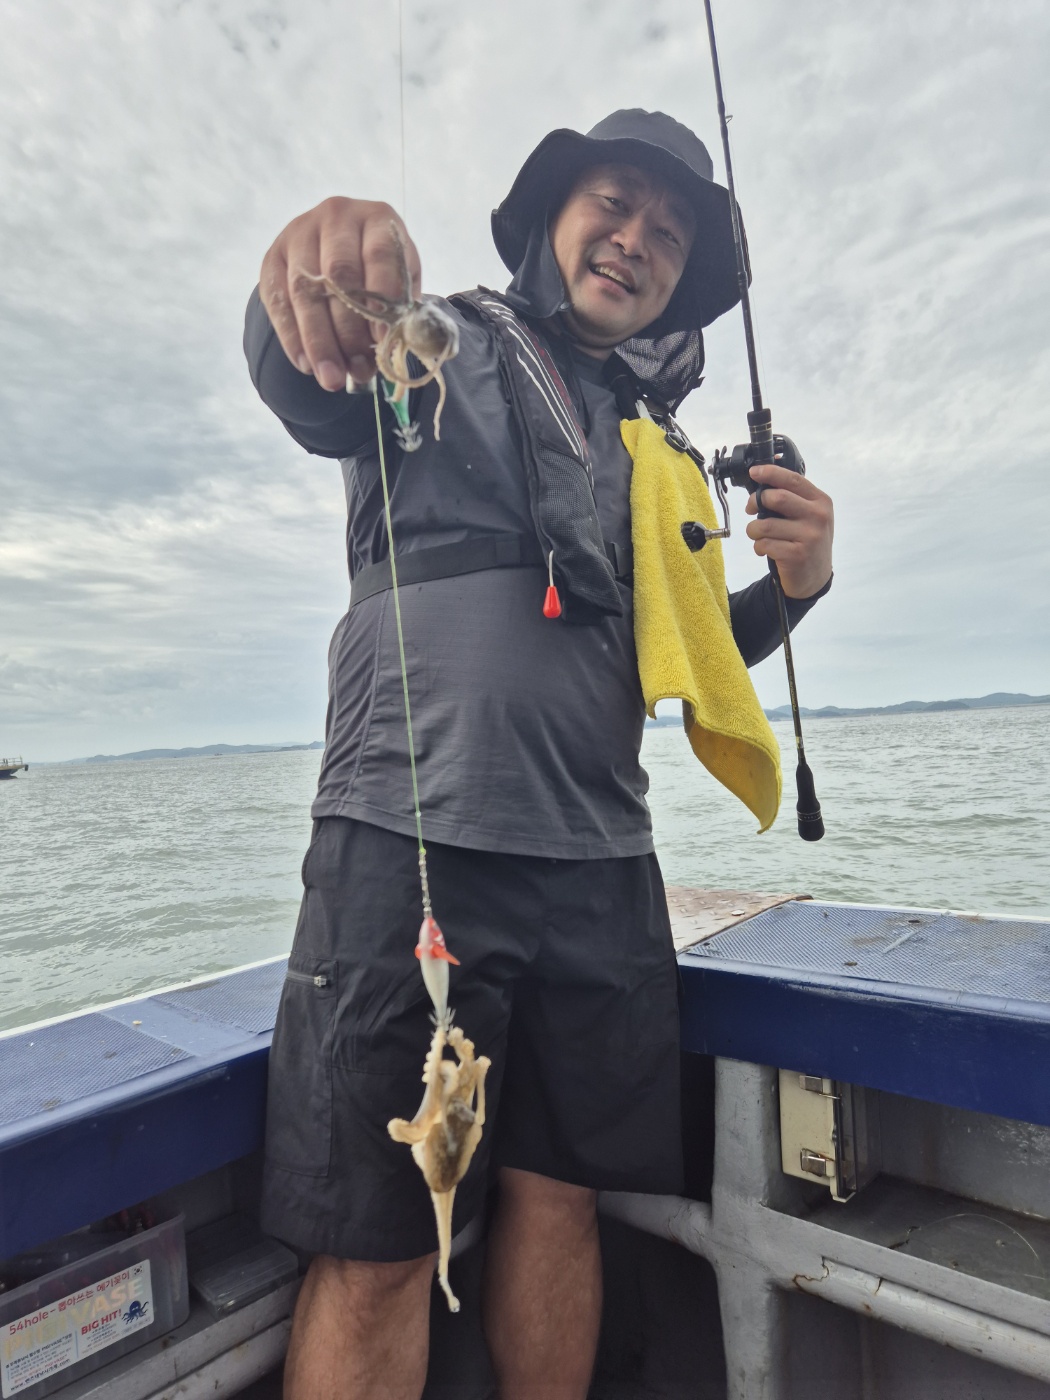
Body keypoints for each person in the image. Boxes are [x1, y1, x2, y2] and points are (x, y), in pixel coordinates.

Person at [244, 109, 833, 1400]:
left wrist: (797, 587)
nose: (636, 242)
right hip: (410, 848)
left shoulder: (656, 450)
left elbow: (689, 661)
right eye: (613, 205)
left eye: (667, 234)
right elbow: (311, 371)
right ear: (551, 216)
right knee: (381, 1245)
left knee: (561, 1205)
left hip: (604, 873)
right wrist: (313, 270)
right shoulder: (441, 341)